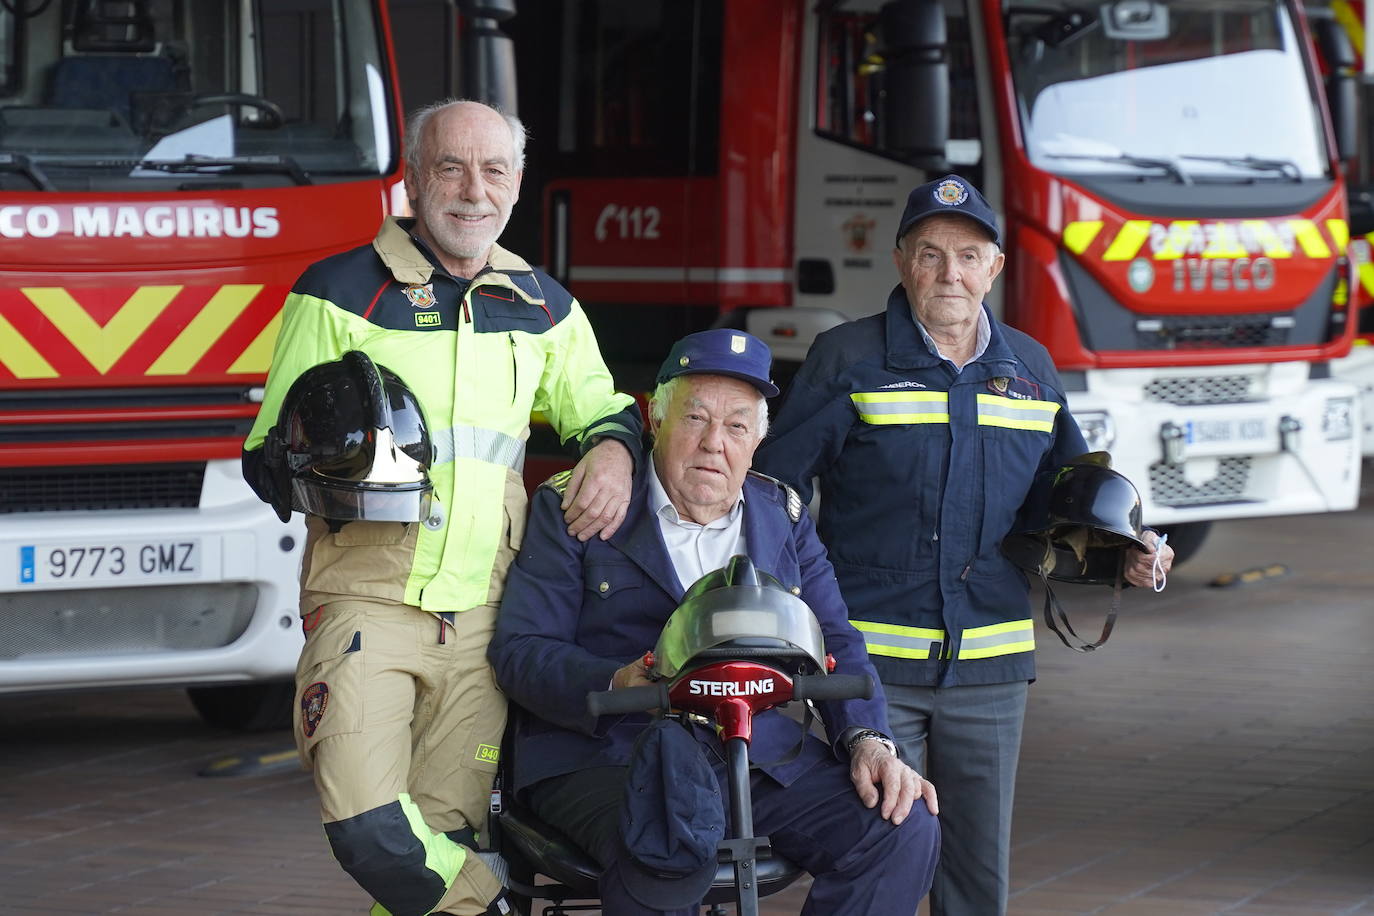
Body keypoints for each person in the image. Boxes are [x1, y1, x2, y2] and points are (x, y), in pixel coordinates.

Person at [241, 99, 642, 916]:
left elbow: (603, 407)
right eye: (451, 168)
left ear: (518, 184)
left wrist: (611, 449)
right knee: (367, 823)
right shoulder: (337, 292)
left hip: (488, 614)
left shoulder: (544, 306)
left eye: (494, 170)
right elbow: (263, 458)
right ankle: (488, 903)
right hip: (367, 599)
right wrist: (329, 456)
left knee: (445, 827)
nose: (473, 189)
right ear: (416, 182)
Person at [752, 174, 1174, 915]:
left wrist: (1133, 548)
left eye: (968, 256)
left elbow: (1071, 497)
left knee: (977, 877)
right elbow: (771, 494)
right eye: (930, 254)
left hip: (992, 669)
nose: (950, 273)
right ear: (900, 261)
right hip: (873, 672)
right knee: (884, 848)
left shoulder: (1031, 371)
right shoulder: (848, 359)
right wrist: (781, 617)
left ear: (995, 267)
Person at [489, 329, 941, 916]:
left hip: (756, 751)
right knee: (666, 845)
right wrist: (616, 683)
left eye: (735, 427)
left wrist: (868, 738)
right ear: (654, 419)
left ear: (758, 440)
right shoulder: (581, 502)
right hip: (613, 753)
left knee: (899, 826)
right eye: (695, 418)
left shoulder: (782, 514)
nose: (712, 445)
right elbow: (521, 651)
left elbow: (835, 640)